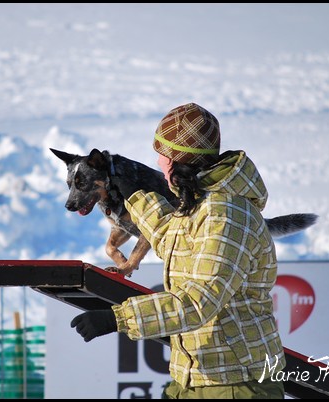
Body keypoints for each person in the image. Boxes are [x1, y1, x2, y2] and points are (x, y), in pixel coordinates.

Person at [70, 102, 286, 399]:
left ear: (177, 161)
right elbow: (170, 239)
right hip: (192, 375)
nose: (158, 165)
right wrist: (134, 196)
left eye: (162, 157)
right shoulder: (202, 206)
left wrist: (118, 318)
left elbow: (199, 301)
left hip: (234, 381)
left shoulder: (226, 214)